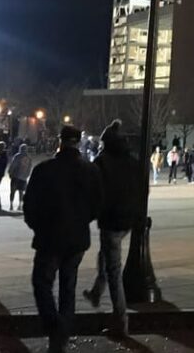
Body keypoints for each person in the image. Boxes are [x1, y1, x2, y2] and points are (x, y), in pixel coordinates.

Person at [24, 126, 103, 353]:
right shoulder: (90, 171)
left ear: (60, 142)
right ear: (78, 142)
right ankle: (61, 335)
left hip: (49, 236)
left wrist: (38, 225)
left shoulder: (44, 169)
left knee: (42, 282)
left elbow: (30, 205)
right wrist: (81, 221)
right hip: (77, 237)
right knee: (68, 287)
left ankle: (55, 327)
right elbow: (98, 205)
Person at [83, 121, 140, 336]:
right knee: (106, 257)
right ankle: (97, 292)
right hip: (128, 220)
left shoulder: (102, 162)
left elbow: (93, 192)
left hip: (111, 220)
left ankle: (120, 320)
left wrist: (92, 213)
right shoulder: (133, 162)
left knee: (113, 270)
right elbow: (142, 189)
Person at [9, 144, 33, 210]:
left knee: (12, 191)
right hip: (23, 177)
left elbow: (13, 165)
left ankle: (11, 205)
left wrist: (10, 172)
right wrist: (27, 175)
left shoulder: (17, 156)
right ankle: (20, 205)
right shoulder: (29, 157)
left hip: (15, 176)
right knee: (21, 191)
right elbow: (29, 168)